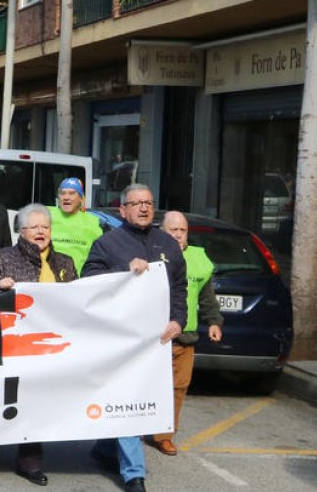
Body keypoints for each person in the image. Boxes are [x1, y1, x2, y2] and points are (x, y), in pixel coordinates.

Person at [82, 185, 187, 492]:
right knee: (129, 400)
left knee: (131, 399)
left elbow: (179, 287)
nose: (143, 208)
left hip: (154, 341)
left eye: (148, 203)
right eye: (136, 203)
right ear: (123, 210)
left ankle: (104, 449)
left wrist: (178, 320)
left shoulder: (167, 243)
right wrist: (122, 270)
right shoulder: (107, 244)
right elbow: (88, 279)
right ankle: (134, 474)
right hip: (118, 338)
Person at [0, 203, 76, 487]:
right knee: (4, 397)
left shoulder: (65, 263)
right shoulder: (2, 258)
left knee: (36, 401)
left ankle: (29, 459)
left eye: (45, 226)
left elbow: (78, 301)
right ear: (21, 231)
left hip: (47, 346)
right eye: (34, 227)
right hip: (11, 344)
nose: (41, 231)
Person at [149, 211, 224, 457]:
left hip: (185, 336)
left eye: (183, 231)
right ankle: (136, 425)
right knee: (147, 385)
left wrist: (214, 322)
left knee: (178, 387)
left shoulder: (199, 259)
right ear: (162, 231)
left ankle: (165, 435)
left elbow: (206, 296)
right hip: (153, 337)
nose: (179, 235)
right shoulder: (151, 252)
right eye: (174, 230)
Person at [49, 177, 104, 274]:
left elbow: (100, 255)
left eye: (71, 193)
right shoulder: (46, 214)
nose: (66, 197)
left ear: (80, 198)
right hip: (46, 281)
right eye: (62, 193)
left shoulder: (93, 222)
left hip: (77, 282)